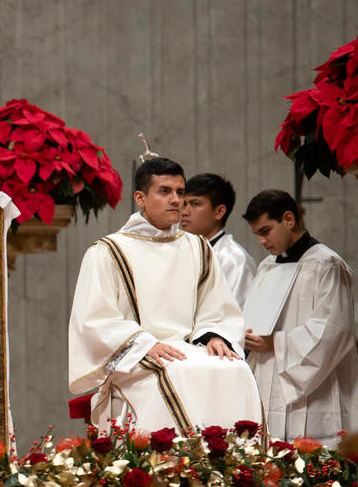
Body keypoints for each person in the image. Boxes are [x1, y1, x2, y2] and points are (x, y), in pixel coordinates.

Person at [68, 156, 262, 435]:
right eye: (164, 191)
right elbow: (94, 320)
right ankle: (185, 465)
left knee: (235, 369)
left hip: (189, 349)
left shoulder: (198, 247)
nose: (176, 200)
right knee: (175, 373)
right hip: (138, 356)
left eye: (180, 192)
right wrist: (143, 344)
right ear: (140, 198)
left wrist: (216, 334)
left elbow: (217, 307)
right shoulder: (108, 251)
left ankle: (234, 465)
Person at [241, 190, 358, 447]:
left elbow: (333, 332)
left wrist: (276, 343)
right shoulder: (267, 266)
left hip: (315, 389)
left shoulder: (326, 264)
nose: (261, 241)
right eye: (257, 234)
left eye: (266, 231)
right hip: (269, 380)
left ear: (288, 219)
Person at [181, 172, 255, 309]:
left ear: (219, 212)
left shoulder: (234, 259)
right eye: (184, 204)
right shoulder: (181, 252)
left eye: (195, 204)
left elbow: (237, 316)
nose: (184, 212)